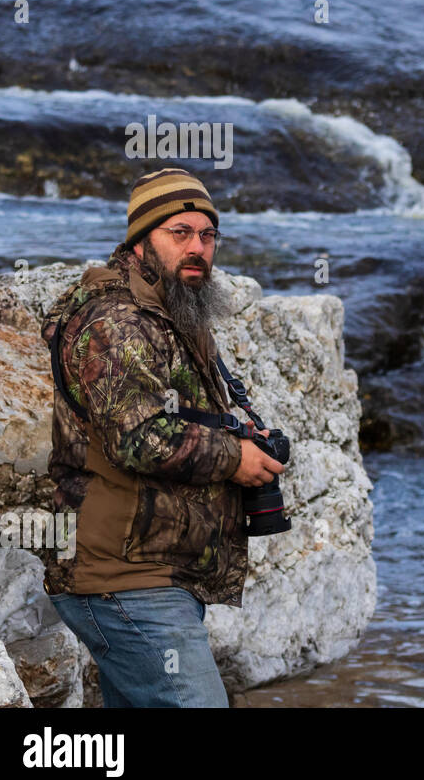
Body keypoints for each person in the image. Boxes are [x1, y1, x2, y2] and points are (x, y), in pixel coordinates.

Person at [40, 168, 286, 707]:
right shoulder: (116, 322)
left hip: (151, 571)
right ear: (141, 239)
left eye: (207, 235)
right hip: (121, 574)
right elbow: (140, 436)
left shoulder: (171, 310)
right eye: (180, 233)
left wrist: (242, 433)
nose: (197, 248)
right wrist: (234, 457)